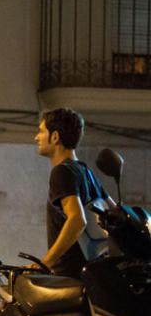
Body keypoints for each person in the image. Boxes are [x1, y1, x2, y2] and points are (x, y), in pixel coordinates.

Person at [34, 108, 108, 278]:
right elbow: (111, 209)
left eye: (41, 131)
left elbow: (77, 220)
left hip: (68, 276)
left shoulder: (62, 172)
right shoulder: (85, 171)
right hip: (90, 273)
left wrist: (45, 263)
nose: (36, 137)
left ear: (55, 137)